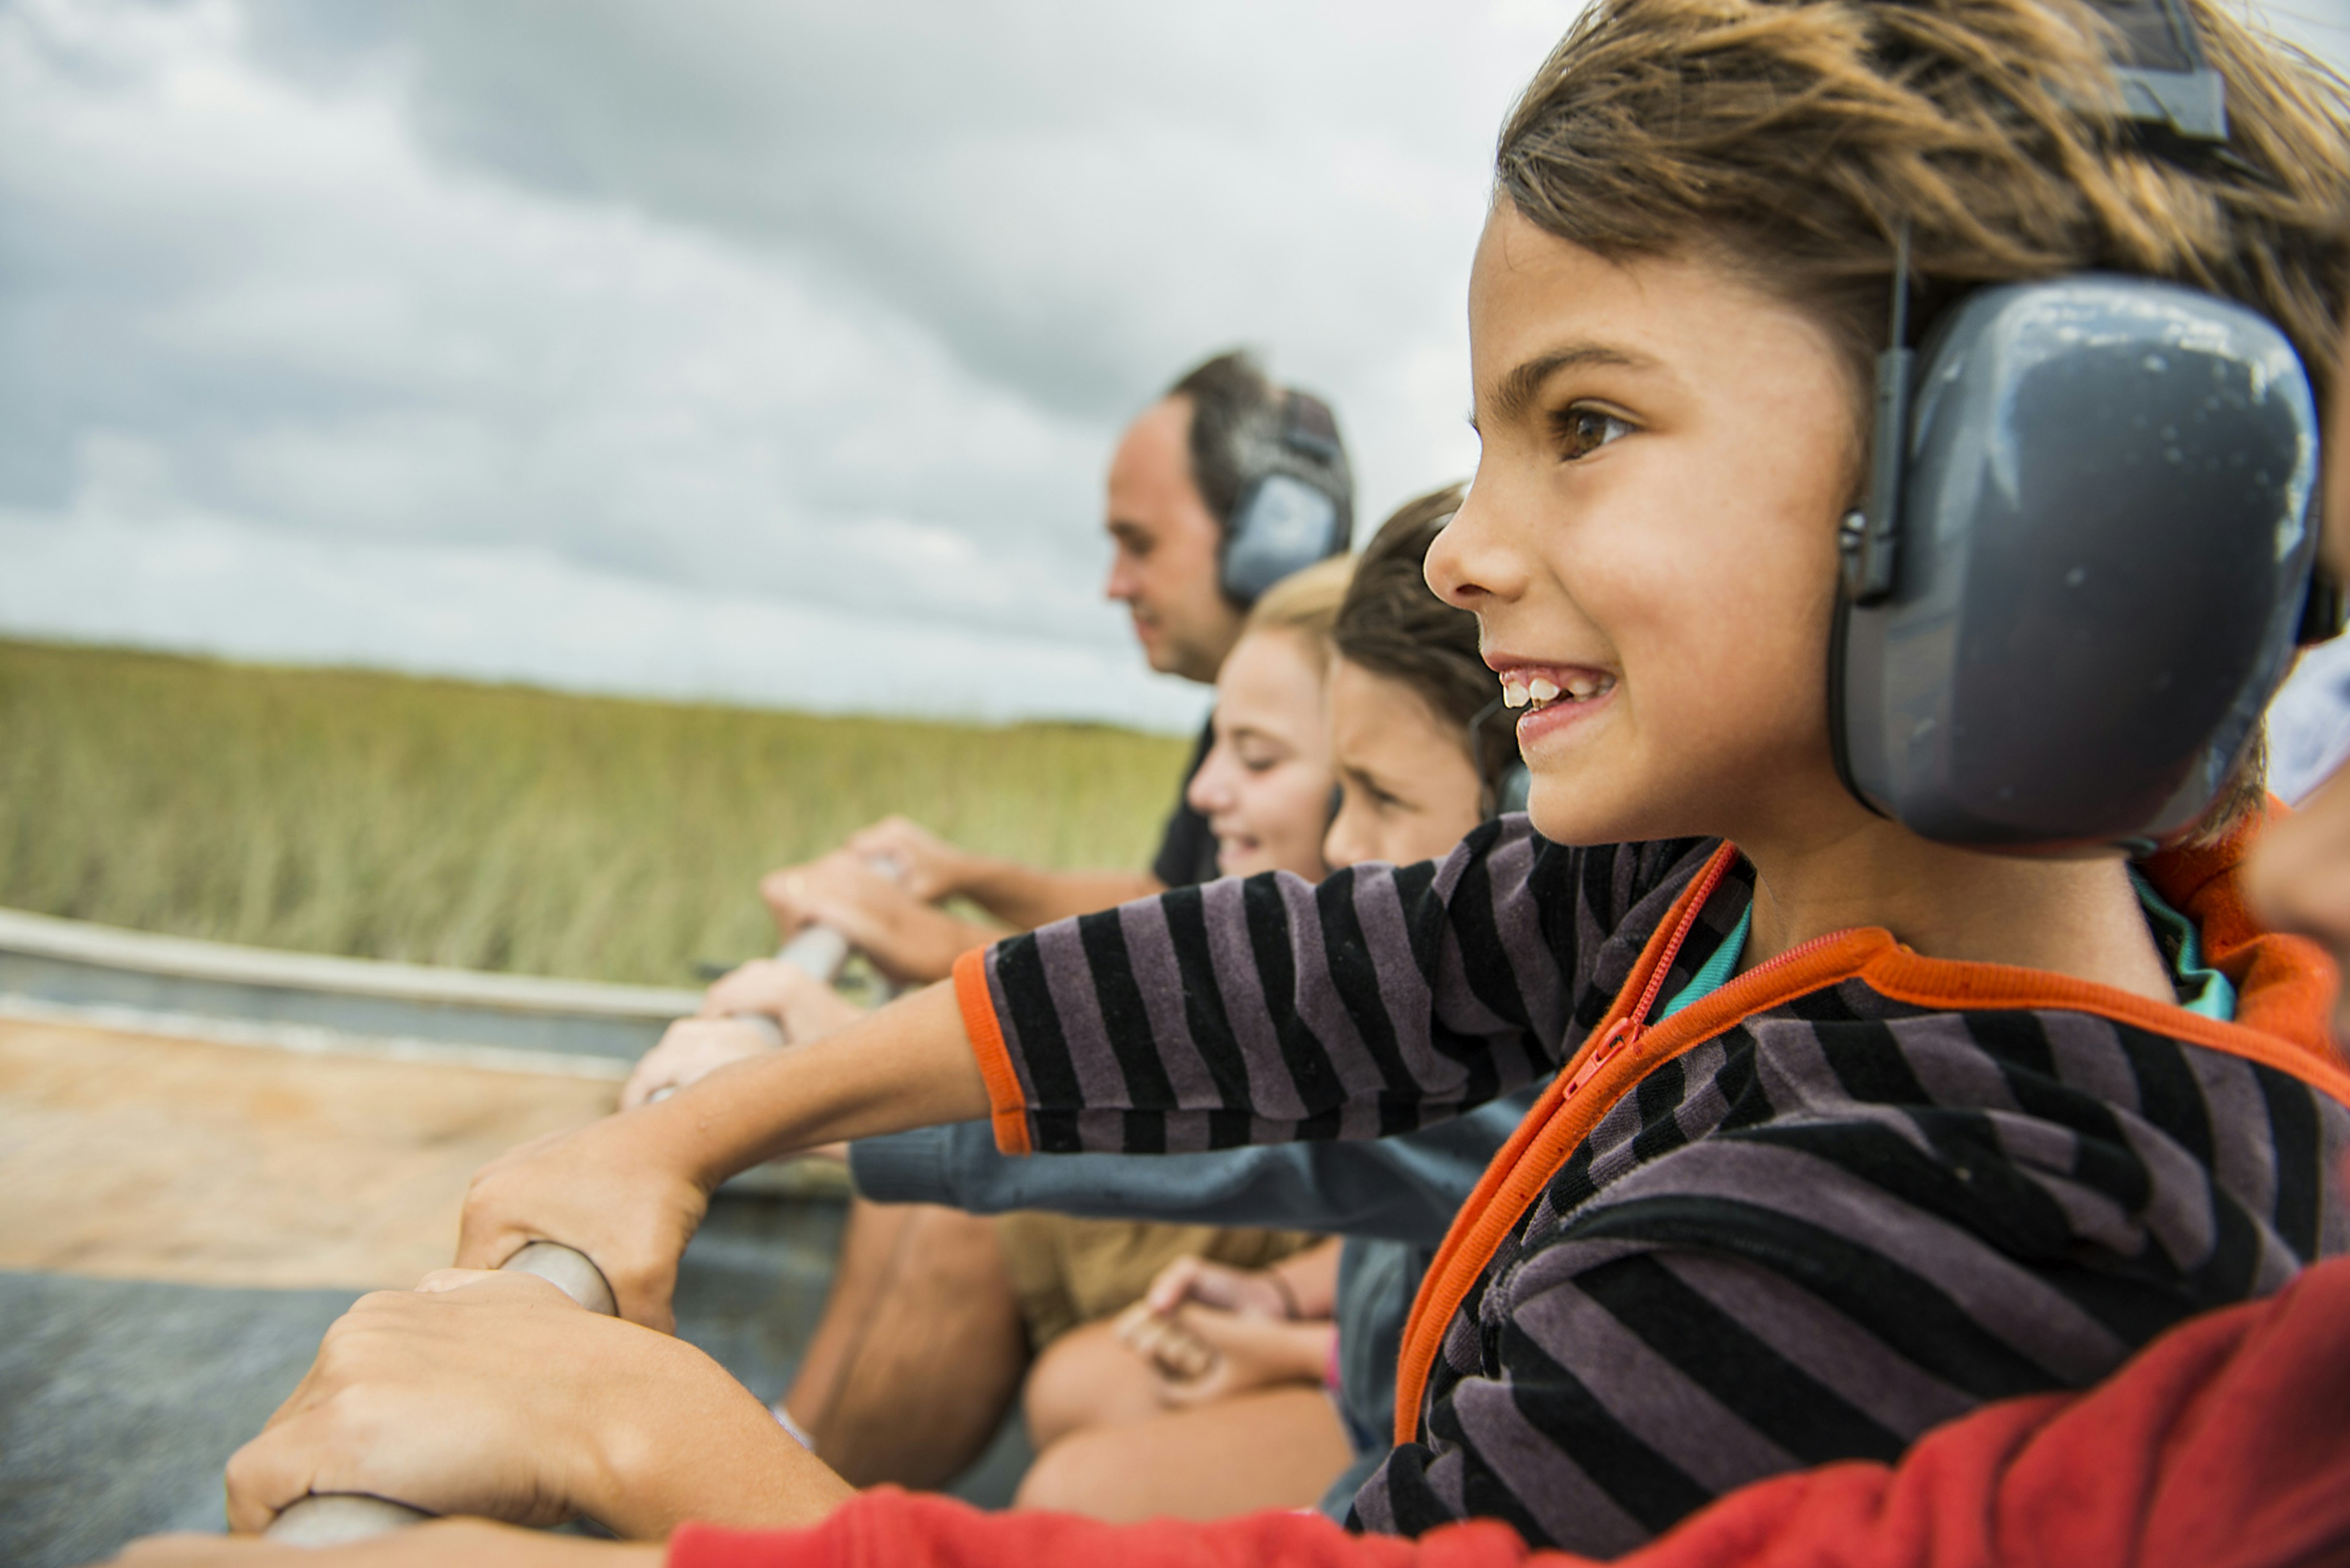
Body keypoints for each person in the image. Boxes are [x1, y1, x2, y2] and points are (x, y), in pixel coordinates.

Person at [123, 0, 2350, 1564]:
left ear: (2043, 506)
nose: (1466, 545)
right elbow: (1275, 986)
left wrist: (701, 1464)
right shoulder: (1708, 893)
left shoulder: (1981, 1193)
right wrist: (695, 1124)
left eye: (1583, 422)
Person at [622, 357, 1355, 1491]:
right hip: (1289, 1173)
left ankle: (787, 1498)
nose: (1115, 582)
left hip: (1302, 1176)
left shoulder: (1339, 707)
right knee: (942, 1117)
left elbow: (1238, 979)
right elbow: (1176, 913)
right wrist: (973, 882)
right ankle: (801, 1455)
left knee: (962, 1185)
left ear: (1272, 537)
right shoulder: (1257, 715)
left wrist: (942, 964)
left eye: (1140, 541)